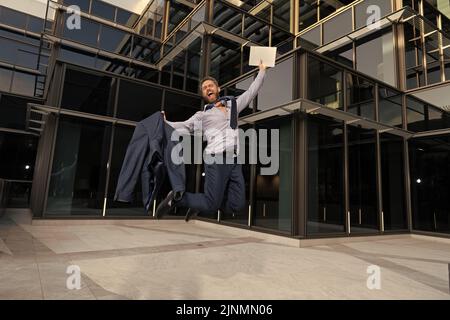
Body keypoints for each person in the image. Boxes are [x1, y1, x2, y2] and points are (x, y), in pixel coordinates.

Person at [156, 61, 267, 221]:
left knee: (237, 204)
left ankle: (198, 204)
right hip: (216, 158)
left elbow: (251, 92)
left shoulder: (233, 105)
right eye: (205, 88)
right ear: (203, 95)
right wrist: (165, 123)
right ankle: (176, 199)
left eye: (211, 85)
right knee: (211, 204)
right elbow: (185, 126)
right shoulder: (203, 115)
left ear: (218, 89)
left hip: (235, 161)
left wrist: (262, 71)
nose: (208, 88)